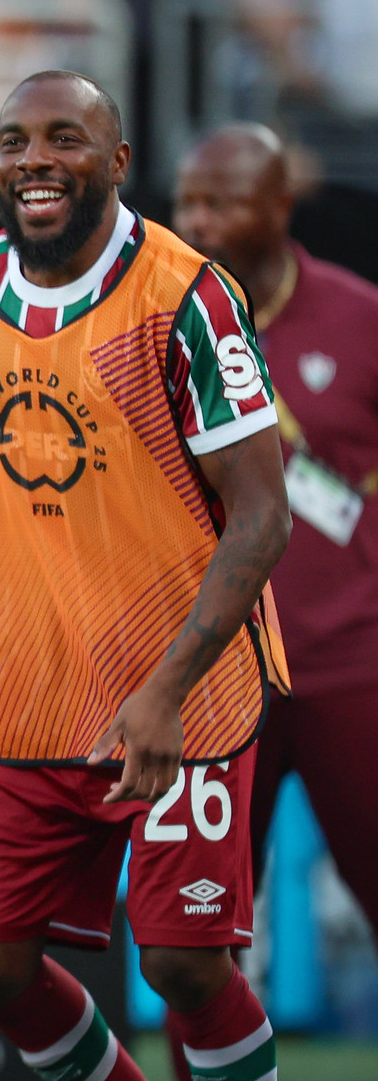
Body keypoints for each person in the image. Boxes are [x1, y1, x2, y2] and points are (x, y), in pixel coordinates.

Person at [0, 72, 290, 1081]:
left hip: (183, 694)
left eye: (63, 138)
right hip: (33, 692)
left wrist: (164, 690)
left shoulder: (187, 297)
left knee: (187, 965)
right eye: (14, 140)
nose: (33, 158)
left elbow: (261, 518)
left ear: (118, 160)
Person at [173, 125, 378, 943]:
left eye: (221, 202)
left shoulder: (360, 319)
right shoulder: (155, 321)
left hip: (350, 662)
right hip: (215, 668)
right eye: (188, 201)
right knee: (197, 924)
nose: (198, 221)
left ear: (279, 206)